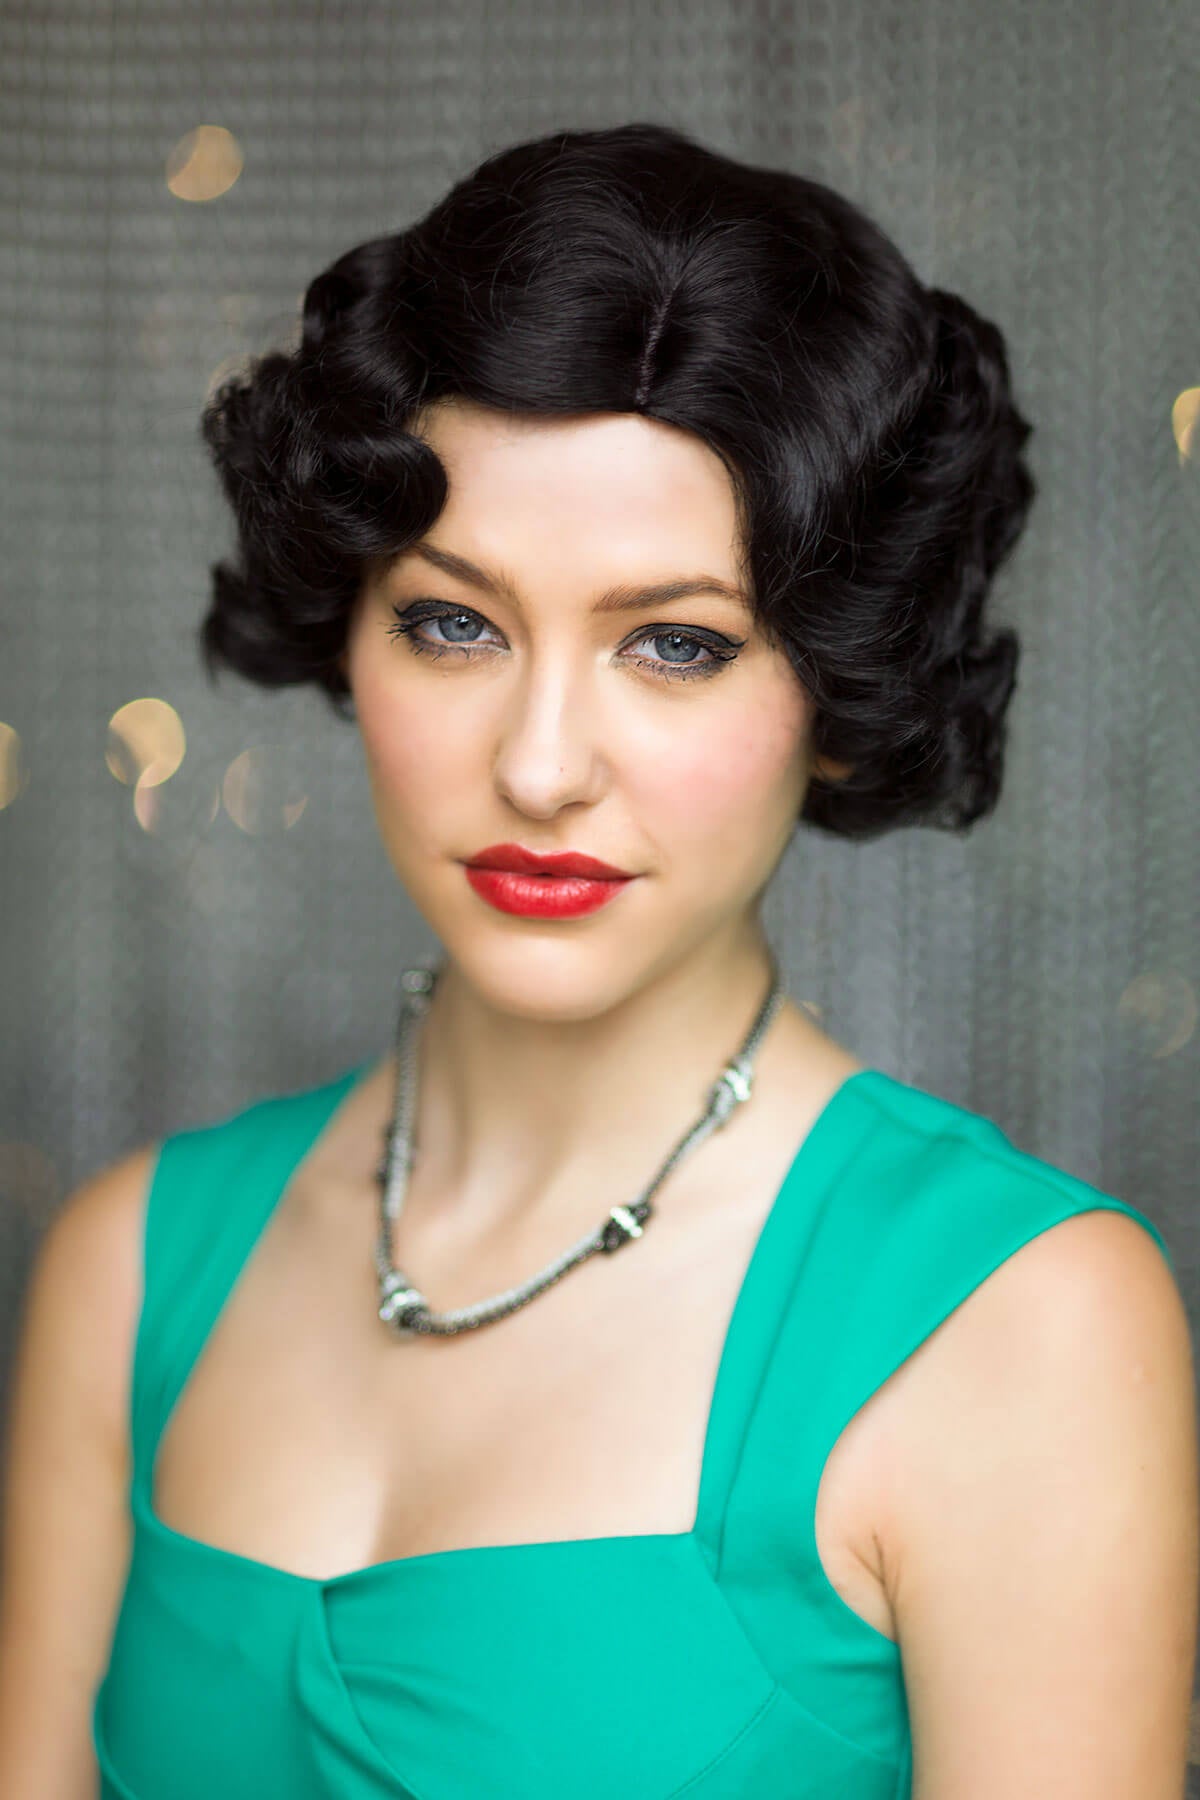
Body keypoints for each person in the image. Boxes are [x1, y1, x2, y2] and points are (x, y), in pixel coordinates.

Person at [2, 122, 1195, 1799]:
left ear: (840, 699)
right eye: (453, 622)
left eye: (677, 645)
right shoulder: (129, 1270)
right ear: (346, 624)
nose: (543, 764)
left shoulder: (1018, 1324)